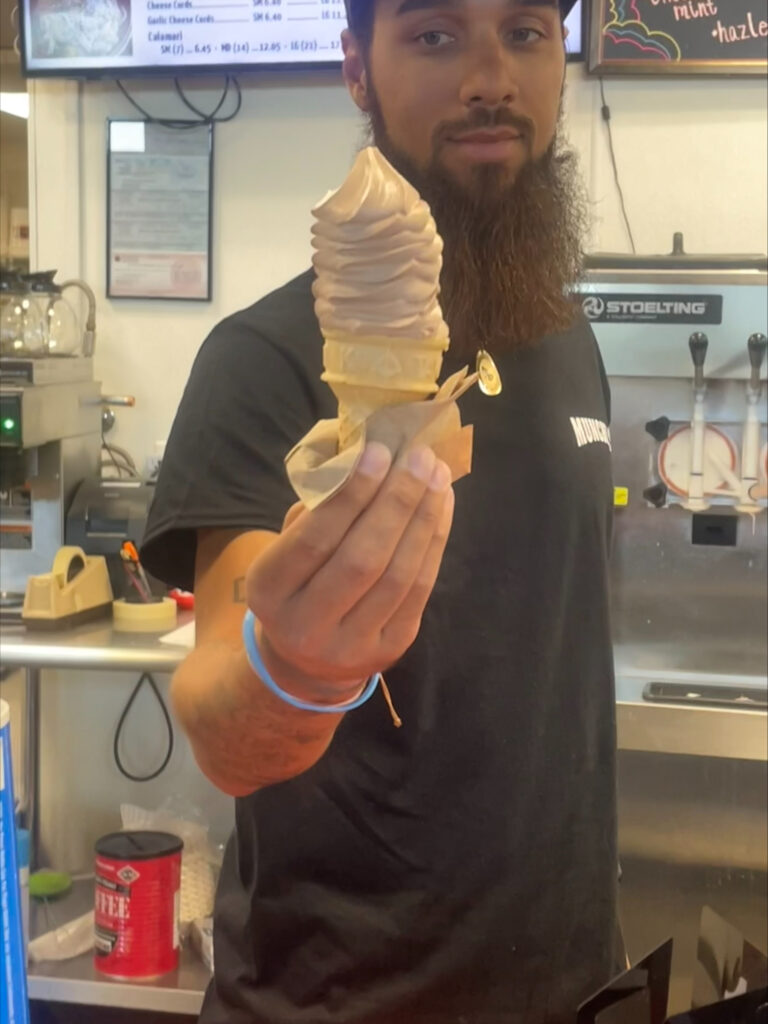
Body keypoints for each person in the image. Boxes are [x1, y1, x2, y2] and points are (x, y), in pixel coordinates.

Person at [141, 1, 623, 1020]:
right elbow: (226, 721)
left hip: (571, 984)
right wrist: (297, 671)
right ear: (357, 67)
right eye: (436, 35)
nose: (490, 75)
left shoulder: (567, 341)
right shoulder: (264, 363)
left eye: (525, 33)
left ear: (563, 65)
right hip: (339, 999)